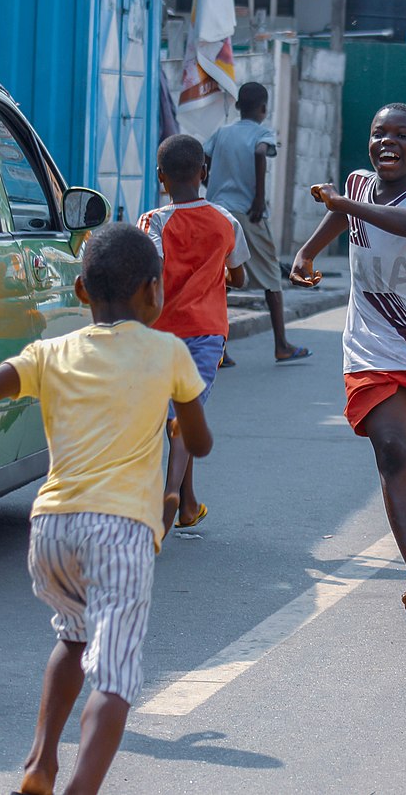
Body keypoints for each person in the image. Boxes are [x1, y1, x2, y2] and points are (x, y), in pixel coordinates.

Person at [0, 224, 212, 793]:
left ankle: (40, 762)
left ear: (80, 292)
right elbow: (199, 443)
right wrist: (179, 416)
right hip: (120, 532)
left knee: (73, 638)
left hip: (52, 531)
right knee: (116, 675)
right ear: (156, 292)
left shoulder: (51, 352)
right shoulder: (170, 353)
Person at [291, 103, 406, 634]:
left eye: (401, 135)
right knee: (393, 453)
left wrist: (346, 202)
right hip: (370, 343)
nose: (387, 142)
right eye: (377, 133)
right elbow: (341, 215)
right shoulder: (357, 186)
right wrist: (306, 253)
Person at [139, 133, 249, 529]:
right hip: (207, 333)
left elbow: (148, 271)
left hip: (160, 332)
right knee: (188, 414)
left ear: (160, 177)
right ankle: (179, 502)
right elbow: (239, 275)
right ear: (205, 173)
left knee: (179, 417)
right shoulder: (226, 222)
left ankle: (182, 503)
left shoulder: (154, 221)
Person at [205, 81, 310, 363]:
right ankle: (281, 345)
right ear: (264, 108)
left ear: (238, 106)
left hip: (217, 212)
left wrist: (208, 184)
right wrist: (259, 198)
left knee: (220, 281)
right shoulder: (263, 132)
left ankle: (219, 350)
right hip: (247, 212)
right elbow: (262, 152)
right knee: (272, 279)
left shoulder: (222, 133)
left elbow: (204, 157)